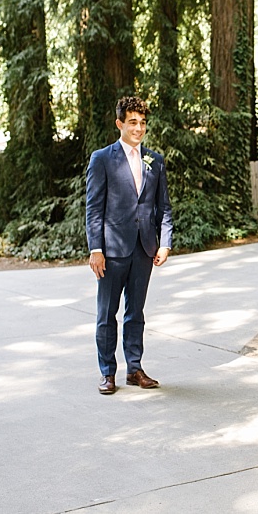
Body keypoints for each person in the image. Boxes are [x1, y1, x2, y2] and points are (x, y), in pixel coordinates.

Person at [86, 96, 174, 395]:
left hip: (144, 249)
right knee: (106, 314)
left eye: (143, 123)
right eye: (133, 122)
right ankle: (107, 373)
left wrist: (165, 243)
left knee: (135, 313)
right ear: (119, 123)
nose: (139, 128)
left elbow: (164, 207)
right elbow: (94, 208)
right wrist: (95, 249)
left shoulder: (155, 161)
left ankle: (134, 369)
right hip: (111, 250)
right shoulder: (102, 159)